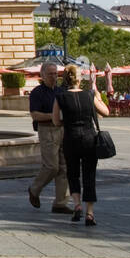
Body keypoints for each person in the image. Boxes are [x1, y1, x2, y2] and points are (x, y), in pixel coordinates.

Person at [53, 64, 109, 227]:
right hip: (89, 138)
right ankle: (89, 213)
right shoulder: (89, 95)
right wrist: (97, 97)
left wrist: (69, 121)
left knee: (73, 173)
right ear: (79, 79)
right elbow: (105, 112)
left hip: (70, 138)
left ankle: (77, 205)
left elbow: (56, 121)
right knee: (89, 175)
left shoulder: (60, 97)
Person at [27, 63, 71, 214]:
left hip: (62, 130)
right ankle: (34, 189)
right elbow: (35, 115)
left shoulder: (61, 91)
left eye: (55, 74)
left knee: (64, 167)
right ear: (43, 76)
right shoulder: (37, 93)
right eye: (51, 74)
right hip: (47, 130)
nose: (54, 77)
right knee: (52, 166)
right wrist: (52, 116)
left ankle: (60, 202)